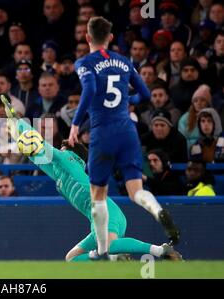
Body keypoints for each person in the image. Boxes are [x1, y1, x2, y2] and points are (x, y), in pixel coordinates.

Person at [0, 94, 181, 261]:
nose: (61, 148)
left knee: (109, 246)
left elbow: (40, 146)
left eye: (64, 147)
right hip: (97, 220)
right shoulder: (60, 174)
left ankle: (159, 250)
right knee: (72, 258)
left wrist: (18, 124)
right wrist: (15, 123)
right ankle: (111, 257)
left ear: (74, 155)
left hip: (108, 214)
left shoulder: (68, 159)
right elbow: (36, 156)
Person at [68, 17, 180, 258]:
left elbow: (88, 90)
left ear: (87, 37)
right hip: (127, 131)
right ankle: (158, 210)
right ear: (109, 38)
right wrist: (128, 102)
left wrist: (76, 123)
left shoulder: (84, 62)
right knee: (136, 191)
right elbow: (146, 94)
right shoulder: (123, 62)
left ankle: (102, 249)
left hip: (102, 132)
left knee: (98, 194)